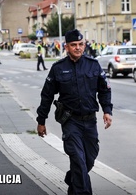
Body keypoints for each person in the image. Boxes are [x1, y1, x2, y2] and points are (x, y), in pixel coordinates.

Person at [36, 29, 113, 195]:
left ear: (84, 45)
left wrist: (107, 110)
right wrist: (41, 121)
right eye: (73, 45)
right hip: (71, 122)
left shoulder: (93, 65)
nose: (78, 48)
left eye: (80, 44)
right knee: (78, 159)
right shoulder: (58, 68)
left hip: (90, 121)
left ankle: (73, 181)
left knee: (89, 159)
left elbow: (104, 89)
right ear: (66, 47)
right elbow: (47, 95)